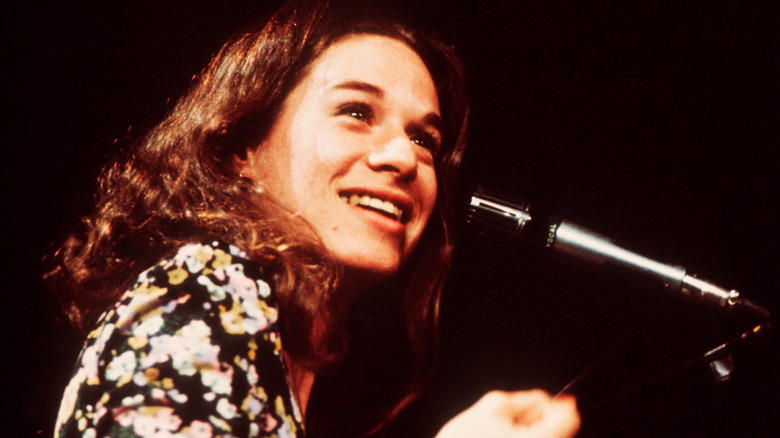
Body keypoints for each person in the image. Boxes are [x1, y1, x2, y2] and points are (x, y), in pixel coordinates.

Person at [46, 0, 580, 436]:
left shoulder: (280, 358)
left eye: (425, 139)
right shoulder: (205, 288)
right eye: (356, 112)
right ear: (242, 147)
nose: (403, 158)